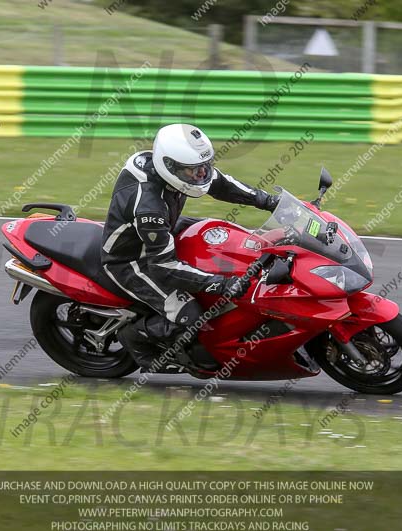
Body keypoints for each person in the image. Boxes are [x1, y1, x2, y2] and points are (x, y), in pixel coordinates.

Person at [101, 123, 279, 371]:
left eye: (204, 166)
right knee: (191, 314)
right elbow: (163, 267)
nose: (201, 174)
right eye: (193, 170)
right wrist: (220, 284)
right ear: (170, 166)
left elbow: (222, 184)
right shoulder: (150, 207)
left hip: (164, 230)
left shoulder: (172, 169)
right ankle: (135, 338)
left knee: (224, 234)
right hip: (132, 260)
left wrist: (270, 202)